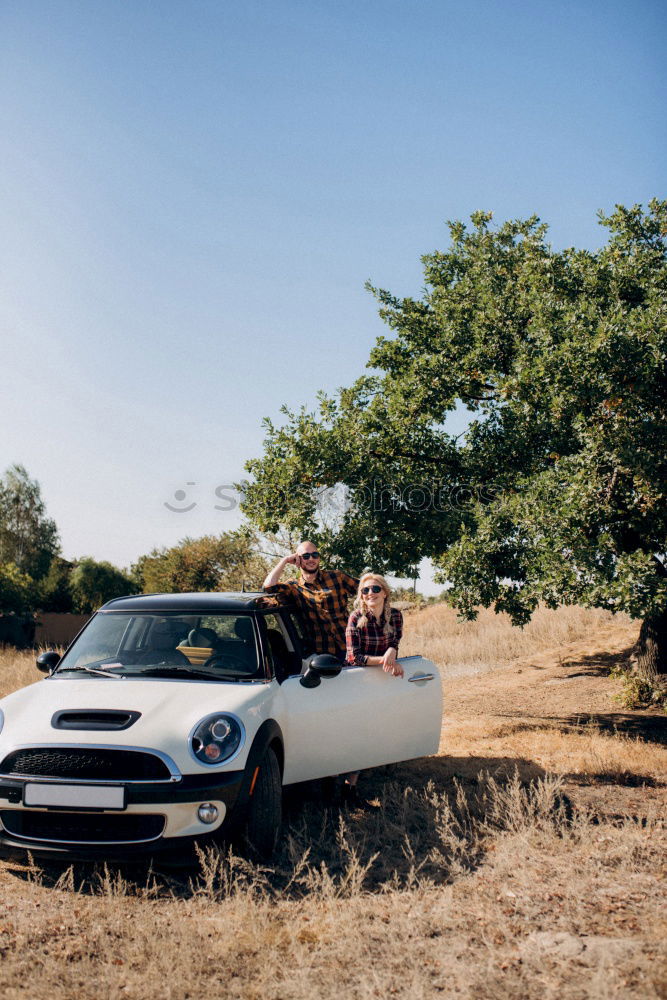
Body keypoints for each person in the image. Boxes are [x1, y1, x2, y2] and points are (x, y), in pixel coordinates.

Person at [343, 573, 404, 804]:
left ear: (385, 592)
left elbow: (395, 641)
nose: (370, 593)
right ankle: (348, 788)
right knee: (359, 732)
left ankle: (376, 769)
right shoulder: (356, 617)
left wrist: (392, 651)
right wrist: (387, 660)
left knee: (378, 728)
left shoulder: (395, 616)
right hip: (357, 680)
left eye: (375, 589)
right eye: (365, 590)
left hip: (382, 679)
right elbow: (354, 658)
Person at [262, 541, 358, 661]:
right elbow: (268, 587)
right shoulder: (294, 586)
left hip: (350, 647)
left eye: (315, 555)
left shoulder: (336, 577)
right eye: (306, 556)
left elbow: (367, 590)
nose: (311, 559)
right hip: (321, 654)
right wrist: (285, 560)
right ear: (298, 559)